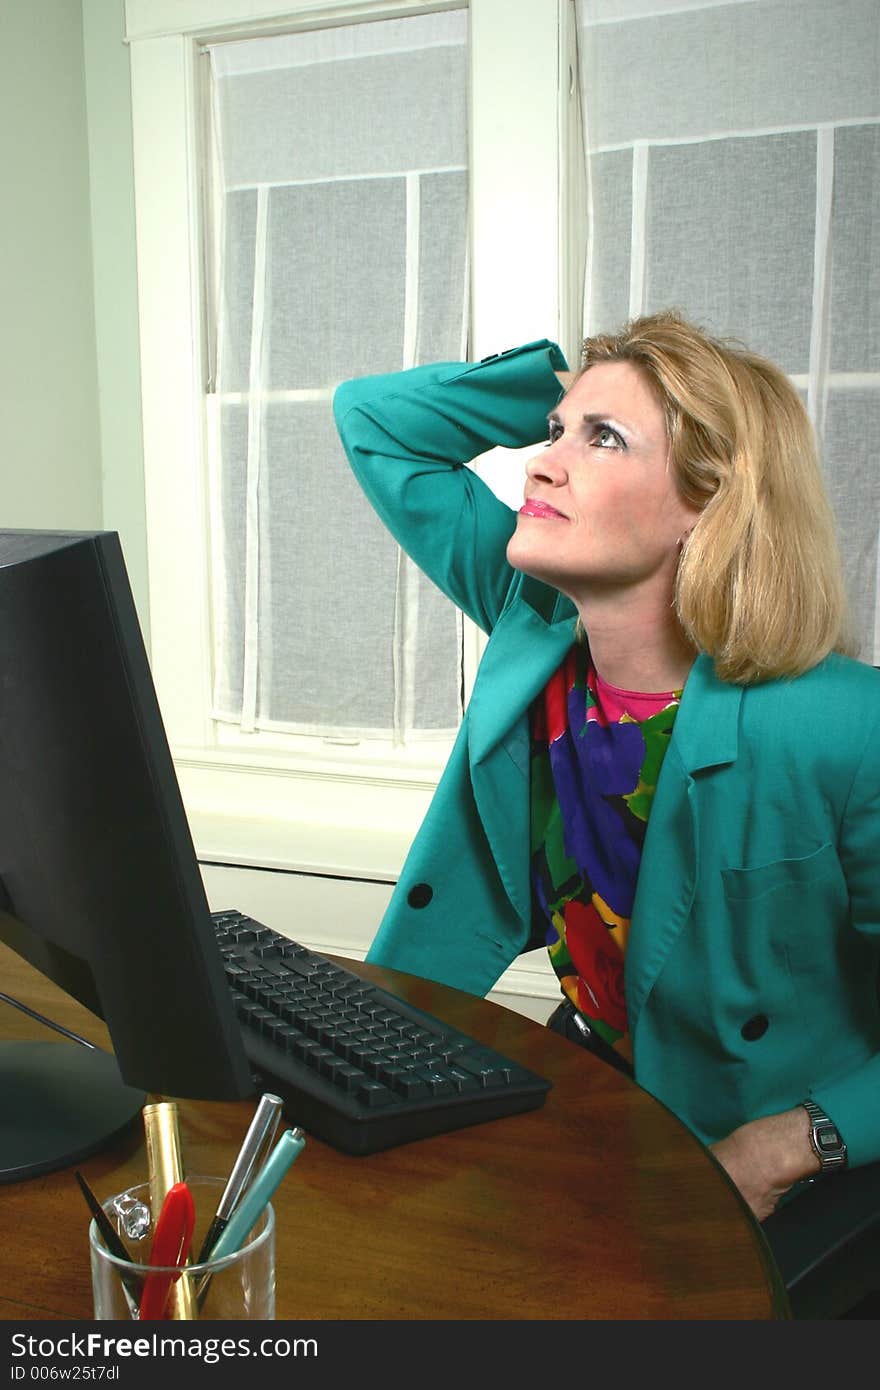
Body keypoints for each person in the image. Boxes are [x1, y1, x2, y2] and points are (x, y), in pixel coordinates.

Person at [332, 311, 880, 1222]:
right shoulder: (532, 613)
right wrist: (578, 382)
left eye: (605, 441)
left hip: (776, 1162)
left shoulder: (846, 725)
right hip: (598, 1097)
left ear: (711, 499)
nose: (539, 465)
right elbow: (373, 419)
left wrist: (790, 1146)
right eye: (555, 435)